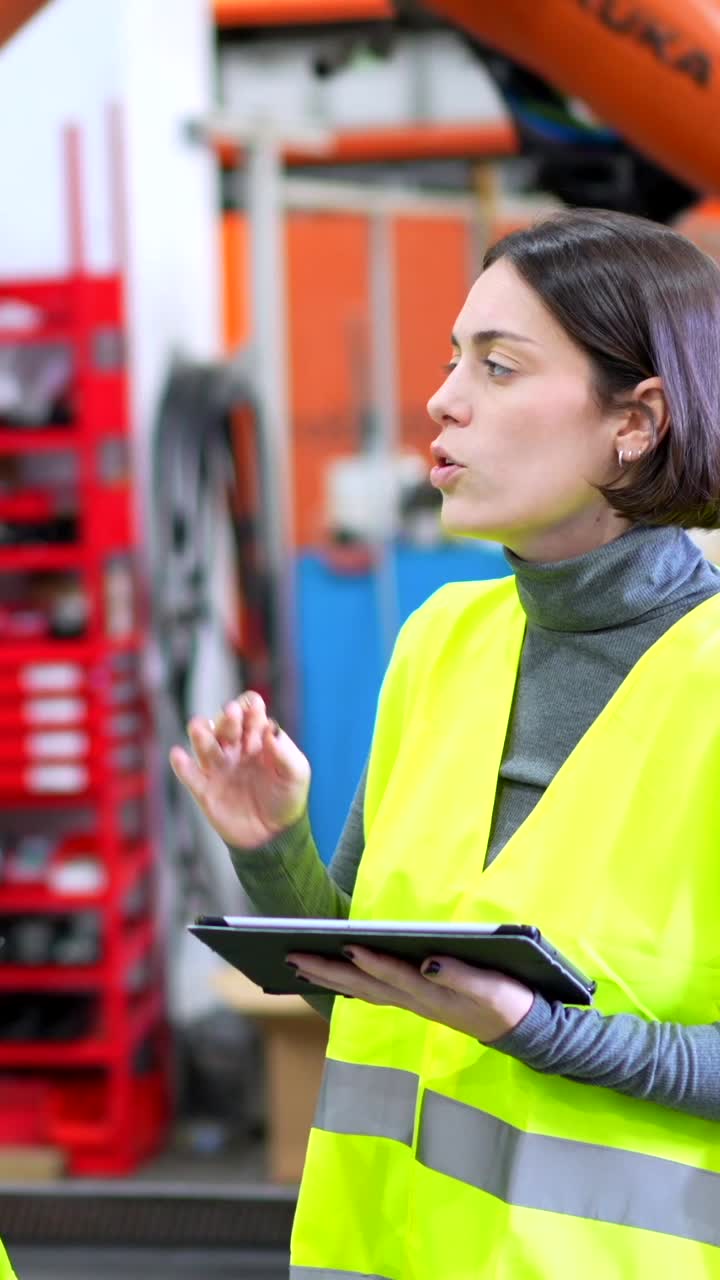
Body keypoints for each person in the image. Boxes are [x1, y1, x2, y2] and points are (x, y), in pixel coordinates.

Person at [170, 209, 720, 1279]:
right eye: (450, 359)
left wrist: (541, 1030)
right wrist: (273, 844)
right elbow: (367, 990)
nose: (442, 399)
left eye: (498, 367)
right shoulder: (440, 643)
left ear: (638, 421)